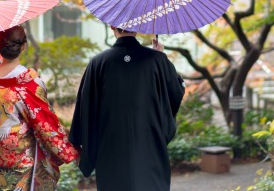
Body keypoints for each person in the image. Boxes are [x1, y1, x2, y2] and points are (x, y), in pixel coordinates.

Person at [69, 26, 186, 191]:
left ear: (111, 27)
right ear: (137, 27)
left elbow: (85, 107)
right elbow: (176, 90)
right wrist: (161, 58)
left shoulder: (98, 62)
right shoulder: (156, 59)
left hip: (110, 150)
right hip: (149, 146)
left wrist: (80, 144)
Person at [0, 25, 78, 191]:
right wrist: (70, 149)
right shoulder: (30, 81)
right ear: (23, 45)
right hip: (23, 164)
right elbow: (45, 123)